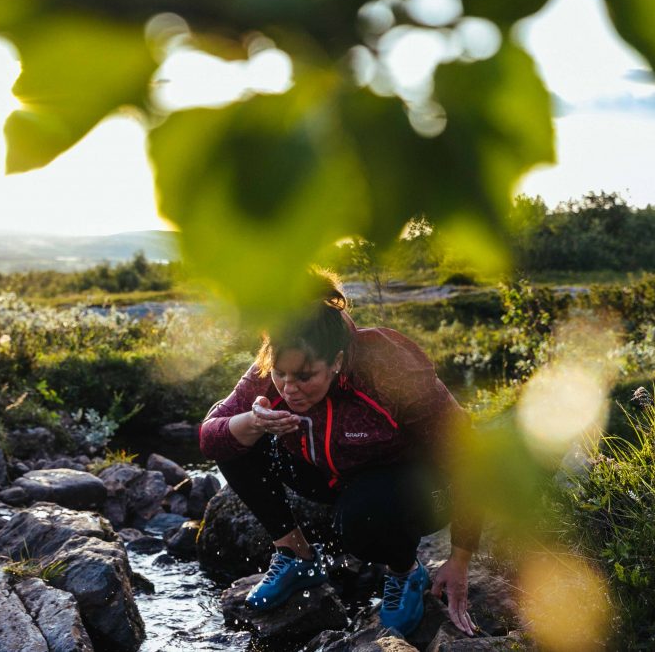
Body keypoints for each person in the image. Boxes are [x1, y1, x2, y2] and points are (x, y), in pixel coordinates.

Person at [198, 273, 481, 637]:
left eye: (304, 376)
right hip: (333, 476)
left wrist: (460, 559)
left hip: (412, 485)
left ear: (336, 361)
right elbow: (209, 435)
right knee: (235, 438)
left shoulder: (388, 367)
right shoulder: (276, 367)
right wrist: (253, 422)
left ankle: (406, 571)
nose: (289, 387)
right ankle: (296, 556)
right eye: (281, 375)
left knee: (358, 520)